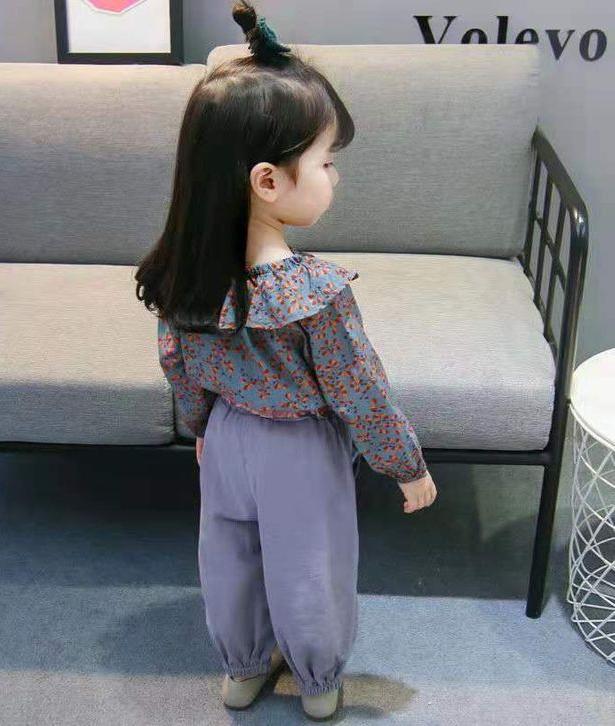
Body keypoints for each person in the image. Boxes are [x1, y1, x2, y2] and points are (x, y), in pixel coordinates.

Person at [135, 1, 438, 720]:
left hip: (227, 438)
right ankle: (318, 681)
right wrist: (406, 465)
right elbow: (359, 390)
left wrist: (203, 427)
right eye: (326, 162)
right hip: (298, 449)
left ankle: (242, 668)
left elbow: (178, 362)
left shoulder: (182, 278)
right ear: (268, 181)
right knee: (310, 565)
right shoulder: (315, 293)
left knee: (229, 555)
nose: (335, 176)